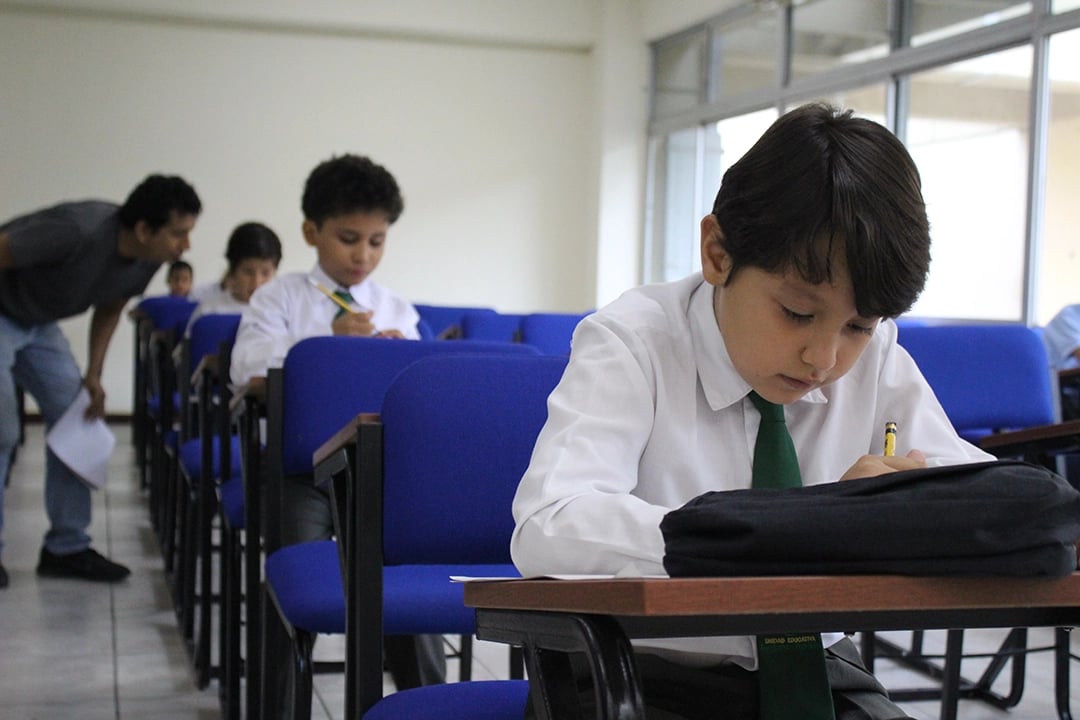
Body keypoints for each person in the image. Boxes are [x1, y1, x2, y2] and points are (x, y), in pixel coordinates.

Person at [511, 103, 994, 720]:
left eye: (858, 325)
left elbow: (977, 490)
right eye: (797, 313)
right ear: (718, 253)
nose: (824, 357)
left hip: (819, 666)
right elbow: (550, 523)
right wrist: (783, 534)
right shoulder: (633, 341)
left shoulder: (877, 358)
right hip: (643, 670)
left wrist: (899, 512)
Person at [228, 154, 443, 689]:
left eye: (376, 241)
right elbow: (247, 367)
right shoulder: (277, 298)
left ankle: (423, 700)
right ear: (311, 231)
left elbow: (423, 392)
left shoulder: (396, 309)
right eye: (349, 238)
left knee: (409, 582)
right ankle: (280, 694)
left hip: (383, 477)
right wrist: (326, 342)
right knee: (295, 579)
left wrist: (398, 354)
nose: (363, 254)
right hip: (302, 474)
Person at [0, 174, 201, 590]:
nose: (186, 246)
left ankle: (66, 547)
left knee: (77, 415)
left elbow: (111, 306)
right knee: (2, 429)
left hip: (38, 323)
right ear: (144, 229)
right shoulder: (77, 231)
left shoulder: (148, 257)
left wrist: (94, 373)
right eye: (178, 233)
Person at [184, 221, 282, 333]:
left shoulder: (280, 313)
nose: (256, 282)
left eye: (265, 273)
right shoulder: (209, 311)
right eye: (248, 272)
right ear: (232, 270)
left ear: (275, 272)